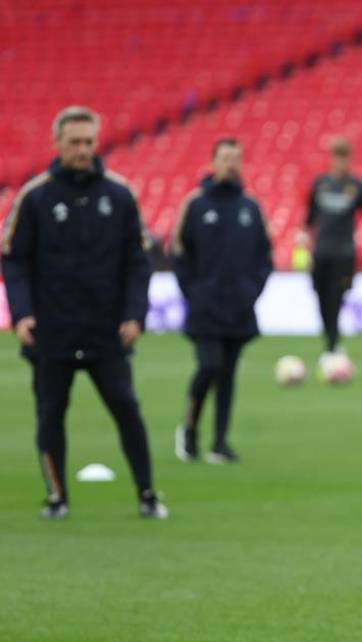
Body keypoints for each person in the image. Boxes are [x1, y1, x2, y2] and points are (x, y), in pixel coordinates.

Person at [1, 106, 167, 520]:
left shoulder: (119, 194)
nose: (83, 150)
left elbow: (138, 261)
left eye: (89, 142)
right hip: (52, 331)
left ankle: (147, 493)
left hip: (106, 330)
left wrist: (134, 314)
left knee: (127, 409)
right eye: (75, 142)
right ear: (57, 144)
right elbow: (14, 260)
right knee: (50, 415)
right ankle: (56, 496)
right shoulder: (35, 196)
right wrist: (22, 314)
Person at [170, 138, 272, 464]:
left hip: (239, 306)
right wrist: (194, 293)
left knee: (228, 374)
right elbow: (178, 253)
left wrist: (251, 290)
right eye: (225, 158)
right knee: (209, 366)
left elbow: (264, 256)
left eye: (236, 158)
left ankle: (219, 442)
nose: (231, 164)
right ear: (213, 162)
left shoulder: (250, 207)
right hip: (205, 307)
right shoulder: (196, 204)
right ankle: (188, 430)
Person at [304, 137, 362, 358]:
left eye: (344, 158)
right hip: (320, 252)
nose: (341, 163)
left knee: (337, 295)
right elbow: (310, 216)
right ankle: (330, 337)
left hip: (345, 254)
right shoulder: (319, 184)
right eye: (337, 158)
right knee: (320, 294)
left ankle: (332, 343)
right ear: (332, 160)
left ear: (350, 160)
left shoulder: (358, 187)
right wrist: (303, 237)